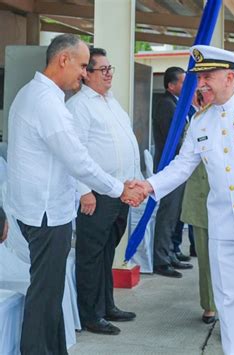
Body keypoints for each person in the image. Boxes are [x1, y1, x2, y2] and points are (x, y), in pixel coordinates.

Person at [132, 45, 234, 355]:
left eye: (208, 76)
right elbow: (182, 166)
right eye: (200, 78)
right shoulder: (201, 121)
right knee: (229, 297)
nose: (202, 83)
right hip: (224, 224)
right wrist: (148, 186)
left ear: (229, 76)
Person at [5, 34, 144, 355]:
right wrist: (119, 188)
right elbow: (77, 158)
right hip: (45, 211)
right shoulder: (45, 102)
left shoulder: (42, 95)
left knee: (51, 293)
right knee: (45, 293)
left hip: (46, 207)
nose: (84, 73)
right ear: (63, 60)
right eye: (83, 65)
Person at [66, 47, 139, 335]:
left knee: (108, 251)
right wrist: (84, 191)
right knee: (91, 255)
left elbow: (126, 145)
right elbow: (75, 154)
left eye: (111, 69)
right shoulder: (79, 106)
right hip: (96, 195)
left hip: (119, 192)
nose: (109, 74)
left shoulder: (110, 102)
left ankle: (106, 305)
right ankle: (90, 315)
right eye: (103, 69)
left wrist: (134, 181)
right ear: (86, 74)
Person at [151, 66, 193, 278]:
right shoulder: (166, 105)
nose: (188, 87)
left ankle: (171, 252)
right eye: (183, 83)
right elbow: (174, 141)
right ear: (171, 85)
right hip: (170, 167)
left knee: (176, 213)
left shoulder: (177, 104)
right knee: (168, 214)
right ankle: (161, 259)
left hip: (179, 167)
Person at [180, 88, 216, 324]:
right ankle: (210, 305)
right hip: (201, 200)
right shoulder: (196, 123)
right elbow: (183, 162)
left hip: (233, 203)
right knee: (205, 256)